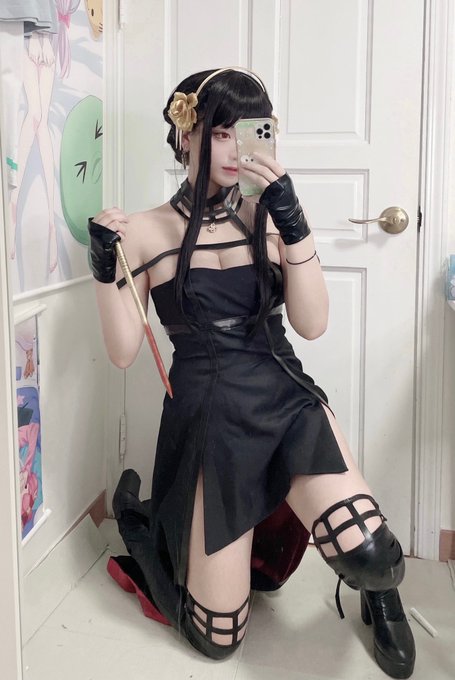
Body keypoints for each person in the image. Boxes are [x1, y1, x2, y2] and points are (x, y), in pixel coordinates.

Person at [88, 67, 415, 678]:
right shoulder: (145, 230)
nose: (237, 149)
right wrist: (104, 270)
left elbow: (312, 324)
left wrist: (293, 222)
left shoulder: (269, 213)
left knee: (373, 555)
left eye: (252, 131)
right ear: (186, 134)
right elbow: (125, 352)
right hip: (208, 420)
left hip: (284, 401)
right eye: (222, 133)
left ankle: (380, 594)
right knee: (217, 639)